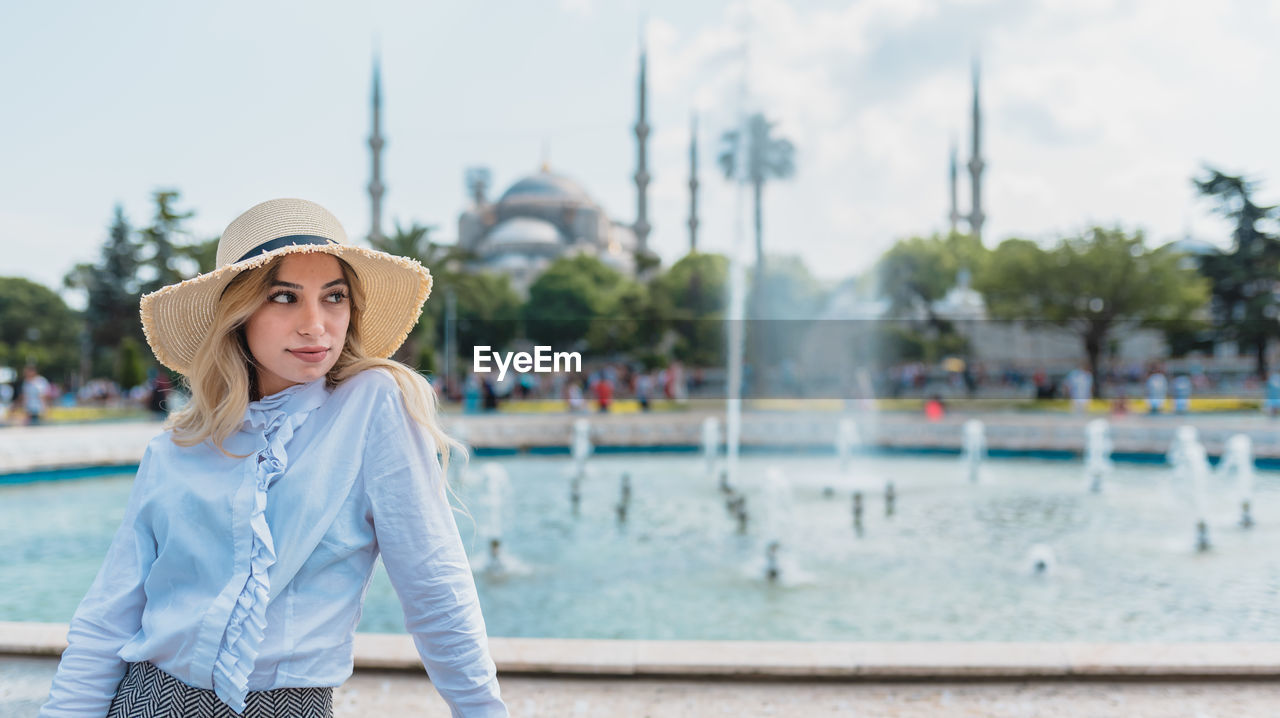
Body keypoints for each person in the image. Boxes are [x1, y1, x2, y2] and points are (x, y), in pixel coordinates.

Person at [37, 199, 507, 717]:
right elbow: (108, 618)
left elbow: (435, 585)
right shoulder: (175, 447)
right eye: (284, 297)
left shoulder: (373, 404)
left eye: (335, 297)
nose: (315, 325)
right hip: (143, 701)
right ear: (239, 314)